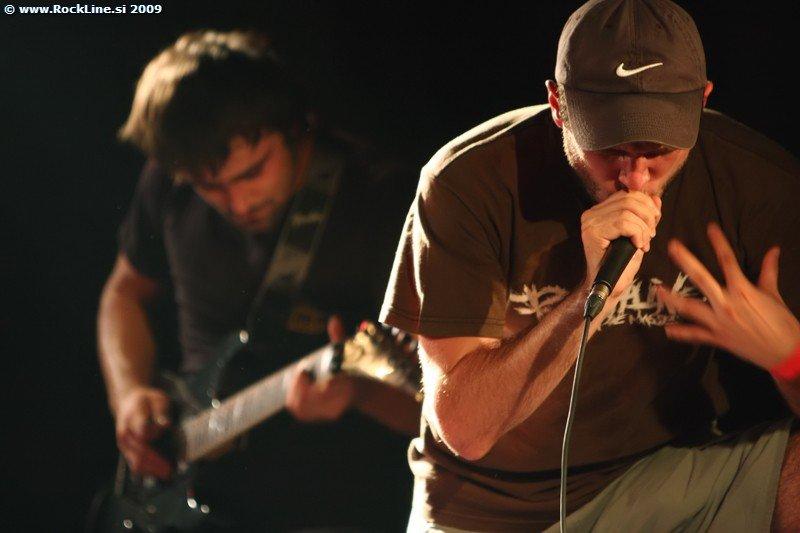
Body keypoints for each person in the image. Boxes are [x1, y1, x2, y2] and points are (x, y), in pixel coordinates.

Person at [379, 0, 800, 531]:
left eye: (659, 149)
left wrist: (790, 359)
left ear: (701, 101)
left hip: (663, 477)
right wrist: (587, 301)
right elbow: (465, 429)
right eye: (612, 149)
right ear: (558, 104)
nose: (635, 178)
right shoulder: (468, 183)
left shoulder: (759, 182)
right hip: (492, 507)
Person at [97, 30, 420, 531]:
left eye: (252, 172)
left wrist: (361, 394)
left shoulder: (386, 201)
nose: (237, 202)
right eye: (209, 186)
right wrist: (129, 396)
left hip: (325, 509)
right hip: (182, 496)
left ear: (297, 126)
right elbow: (125, 292)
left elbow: (444, 410)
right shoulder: (170, 176)